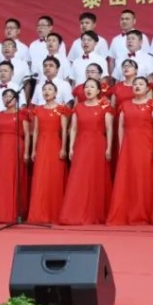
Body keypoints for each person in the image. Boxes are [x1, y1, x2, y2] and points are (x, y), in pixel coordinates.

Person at [107, 77, 153, 225]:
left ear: (147, 88)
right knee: (128, 177)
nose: (137, 87)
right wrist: (121, 145)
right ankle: (126, 212)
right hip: (129, 145)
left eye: (141, 84)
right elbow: (121, 126)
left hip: (146, 144)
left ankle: (145, 212)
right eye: (135, 85)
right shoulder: (125, 105)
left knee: (144, 177)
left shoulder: (152, 105)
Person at [59, 78, 114, 225]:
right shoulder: (78, 107)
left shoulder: (105, 106)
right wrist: (71, 147)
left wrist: (109, 147)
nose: (88, 89)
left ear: (98, 90)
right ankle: (75, 212)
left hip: (98, 144)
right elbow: (73, 129)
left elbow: (109, 129)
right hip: (82, 144)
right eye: (86, 87)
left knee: (96, 177)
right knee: (79, 177)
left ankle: (95, 212)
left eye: (92, 87)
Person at [26, 82, 70, 224]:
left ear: (56, 93)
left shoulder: (61, 109)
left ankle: (55, 213)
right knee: (40, 177)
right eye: (44, 89)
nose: (47, 91)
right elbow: (36, 131)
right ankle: (39, 214)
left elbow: (64, 130)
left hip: (55, 144)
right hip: (42, 144)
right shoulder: (38, 109)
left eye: (50, 89)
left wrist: (63, 148)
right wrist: (33, 149)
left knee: (54, 177)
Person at [0, 89, 28, 223]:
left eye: (11, 96)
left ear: (16, 99)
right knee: (1, 178)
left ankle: (15, 212)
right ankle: (0, 212)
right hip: (2, 148)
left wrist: (26, 152)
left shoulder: (22, 114)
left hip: (16, 146)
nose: (8, 99)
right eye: (5, 96)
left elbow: (27, 135)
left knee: (14, 177)